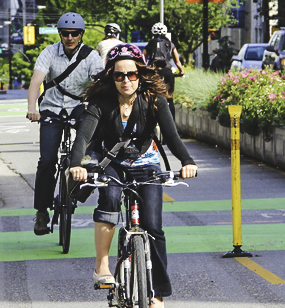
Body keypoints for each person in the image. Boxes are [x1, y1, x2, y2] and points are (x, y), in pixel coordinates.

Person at [69, 43, 197, 308]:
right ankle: (102, 266)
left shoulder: (154, 100)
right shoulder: (100, 103)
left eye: (131, 74)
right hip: (113, 162)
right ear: (111, 76)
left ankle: (158, 294)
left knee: (153, 226)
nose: (125, 80)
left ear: (140, 73)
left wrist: (187, 161)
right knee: (110, 199)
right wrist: (76, 165)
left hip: (146, 163)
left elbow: (171, 136)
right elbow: (83, 136)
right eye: (119, 75)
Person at [26, 12, 104, 235]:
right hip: (51, 108)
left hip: (79, 108)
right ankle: (42, 211)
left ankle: (75, 195)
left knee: (89, 157)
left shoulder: (91, 56)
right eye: (65, 33)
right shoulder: (49, 52)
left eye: (75, 33)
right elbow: (35, 83)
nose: (70, 37)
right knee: (48, 160)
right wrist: (33, 108)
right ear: (60, 34)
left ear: (81, 34)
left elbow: (99, 81)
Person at [143, 23, 185, 95]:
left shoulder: (150, 44)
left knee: (151, 95)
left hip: (153, 71)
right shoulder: (170, 44)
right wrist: (181, 71)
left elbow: (143, 60)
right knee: (169, 95)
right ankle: (169, 104)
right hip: (167, 71)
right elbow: (177, 61)